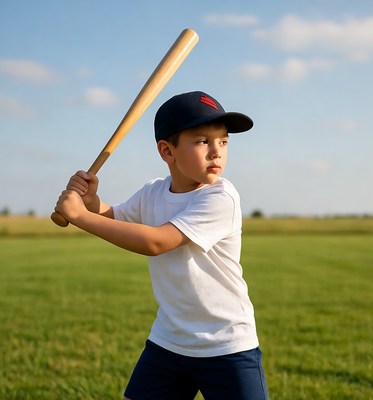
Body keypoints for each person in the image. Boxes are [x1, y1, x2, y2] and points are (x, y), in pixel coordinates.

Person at [55, 91, 268, 400]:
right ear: (167, 151)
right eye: (202, 141)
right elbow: (115, 217)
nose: (216, 152)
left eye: (223, 141)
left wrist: (79, 217)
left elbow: (157, 242)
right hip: (170, 342)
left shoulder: (220, 197)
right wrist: (91, 204)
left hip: (226, 344)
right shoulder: (153, 191)